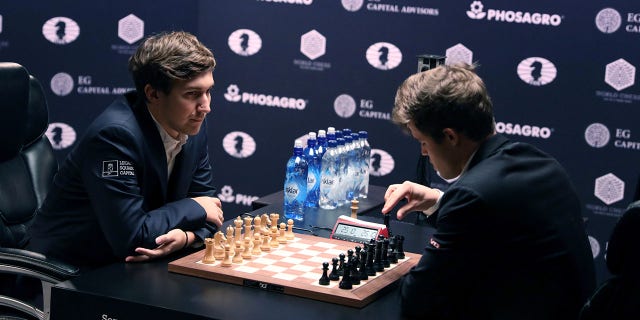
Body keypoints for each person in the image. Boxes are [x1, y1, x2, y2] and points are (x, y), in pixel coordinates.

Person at [382, 64, 596, 319]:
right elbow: (498, 227)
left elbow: (417, 300)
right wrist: (440, 202)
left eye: (423, 142)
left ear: (450, 137)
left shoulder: (474, 195)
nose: (424, 153)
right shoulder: (540, 163)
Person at [27, 31, 224, 270]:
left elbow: (213, 211)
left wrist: (186, 237)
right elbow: (133, 238)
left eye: (208, 91)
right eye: (192, 94)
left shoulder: (191, 124)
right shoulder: (114, 138)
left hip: (131, 269)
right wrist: (194, 207)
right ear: (153, 94)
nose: (206, 107)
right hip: (68, 276)